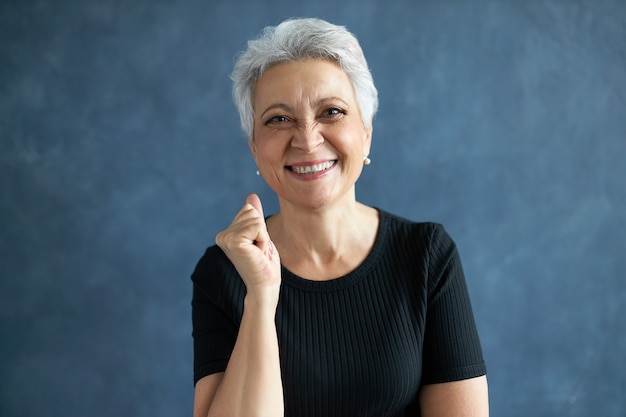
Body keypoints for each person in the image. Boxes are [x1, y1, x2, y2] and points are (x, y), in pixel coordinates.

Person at [191, 17, 488, 417]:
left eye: (331, 111)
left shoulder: (427, 256)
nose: (308, 139)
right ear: (255, 149)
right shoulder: (224, 272)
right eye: (278, 119)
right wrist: (261, 296)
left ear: (365, 133)